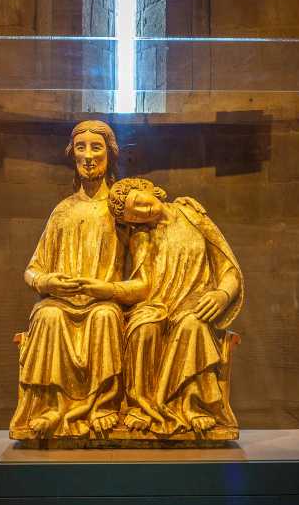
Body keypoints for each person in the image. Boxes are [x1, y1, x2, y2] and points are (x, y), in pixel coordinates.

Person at [9, 120, 139, 439]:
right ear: (73, 155)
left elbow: (144, 275)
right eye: (81, 148)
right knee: (48, 315)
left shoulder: (120, 211)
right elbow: (32, 270)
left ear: (110, 155)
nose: (88, 156)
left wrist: (108, 290)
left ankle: (103, 405)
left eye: (97, 148)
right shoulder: (62, 212)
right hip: (61, 302)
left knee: (105, 316)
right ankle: (53, 405)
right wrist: (48, 283)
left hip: (104, 302)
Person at [102, 177, 244, 436]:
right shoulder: (141, 238)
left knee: (193, 324)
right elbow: (143, 286)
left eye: (139, 202)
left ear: (148, 189)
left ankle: (193, 407)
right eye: (134, 215)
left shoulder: (193, 216)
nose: (143, 211)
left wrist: (222, 294)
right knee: (144, 326)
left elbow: (229, 269)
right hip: (156, 303)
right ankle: (142, 405)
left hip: (194, 304)